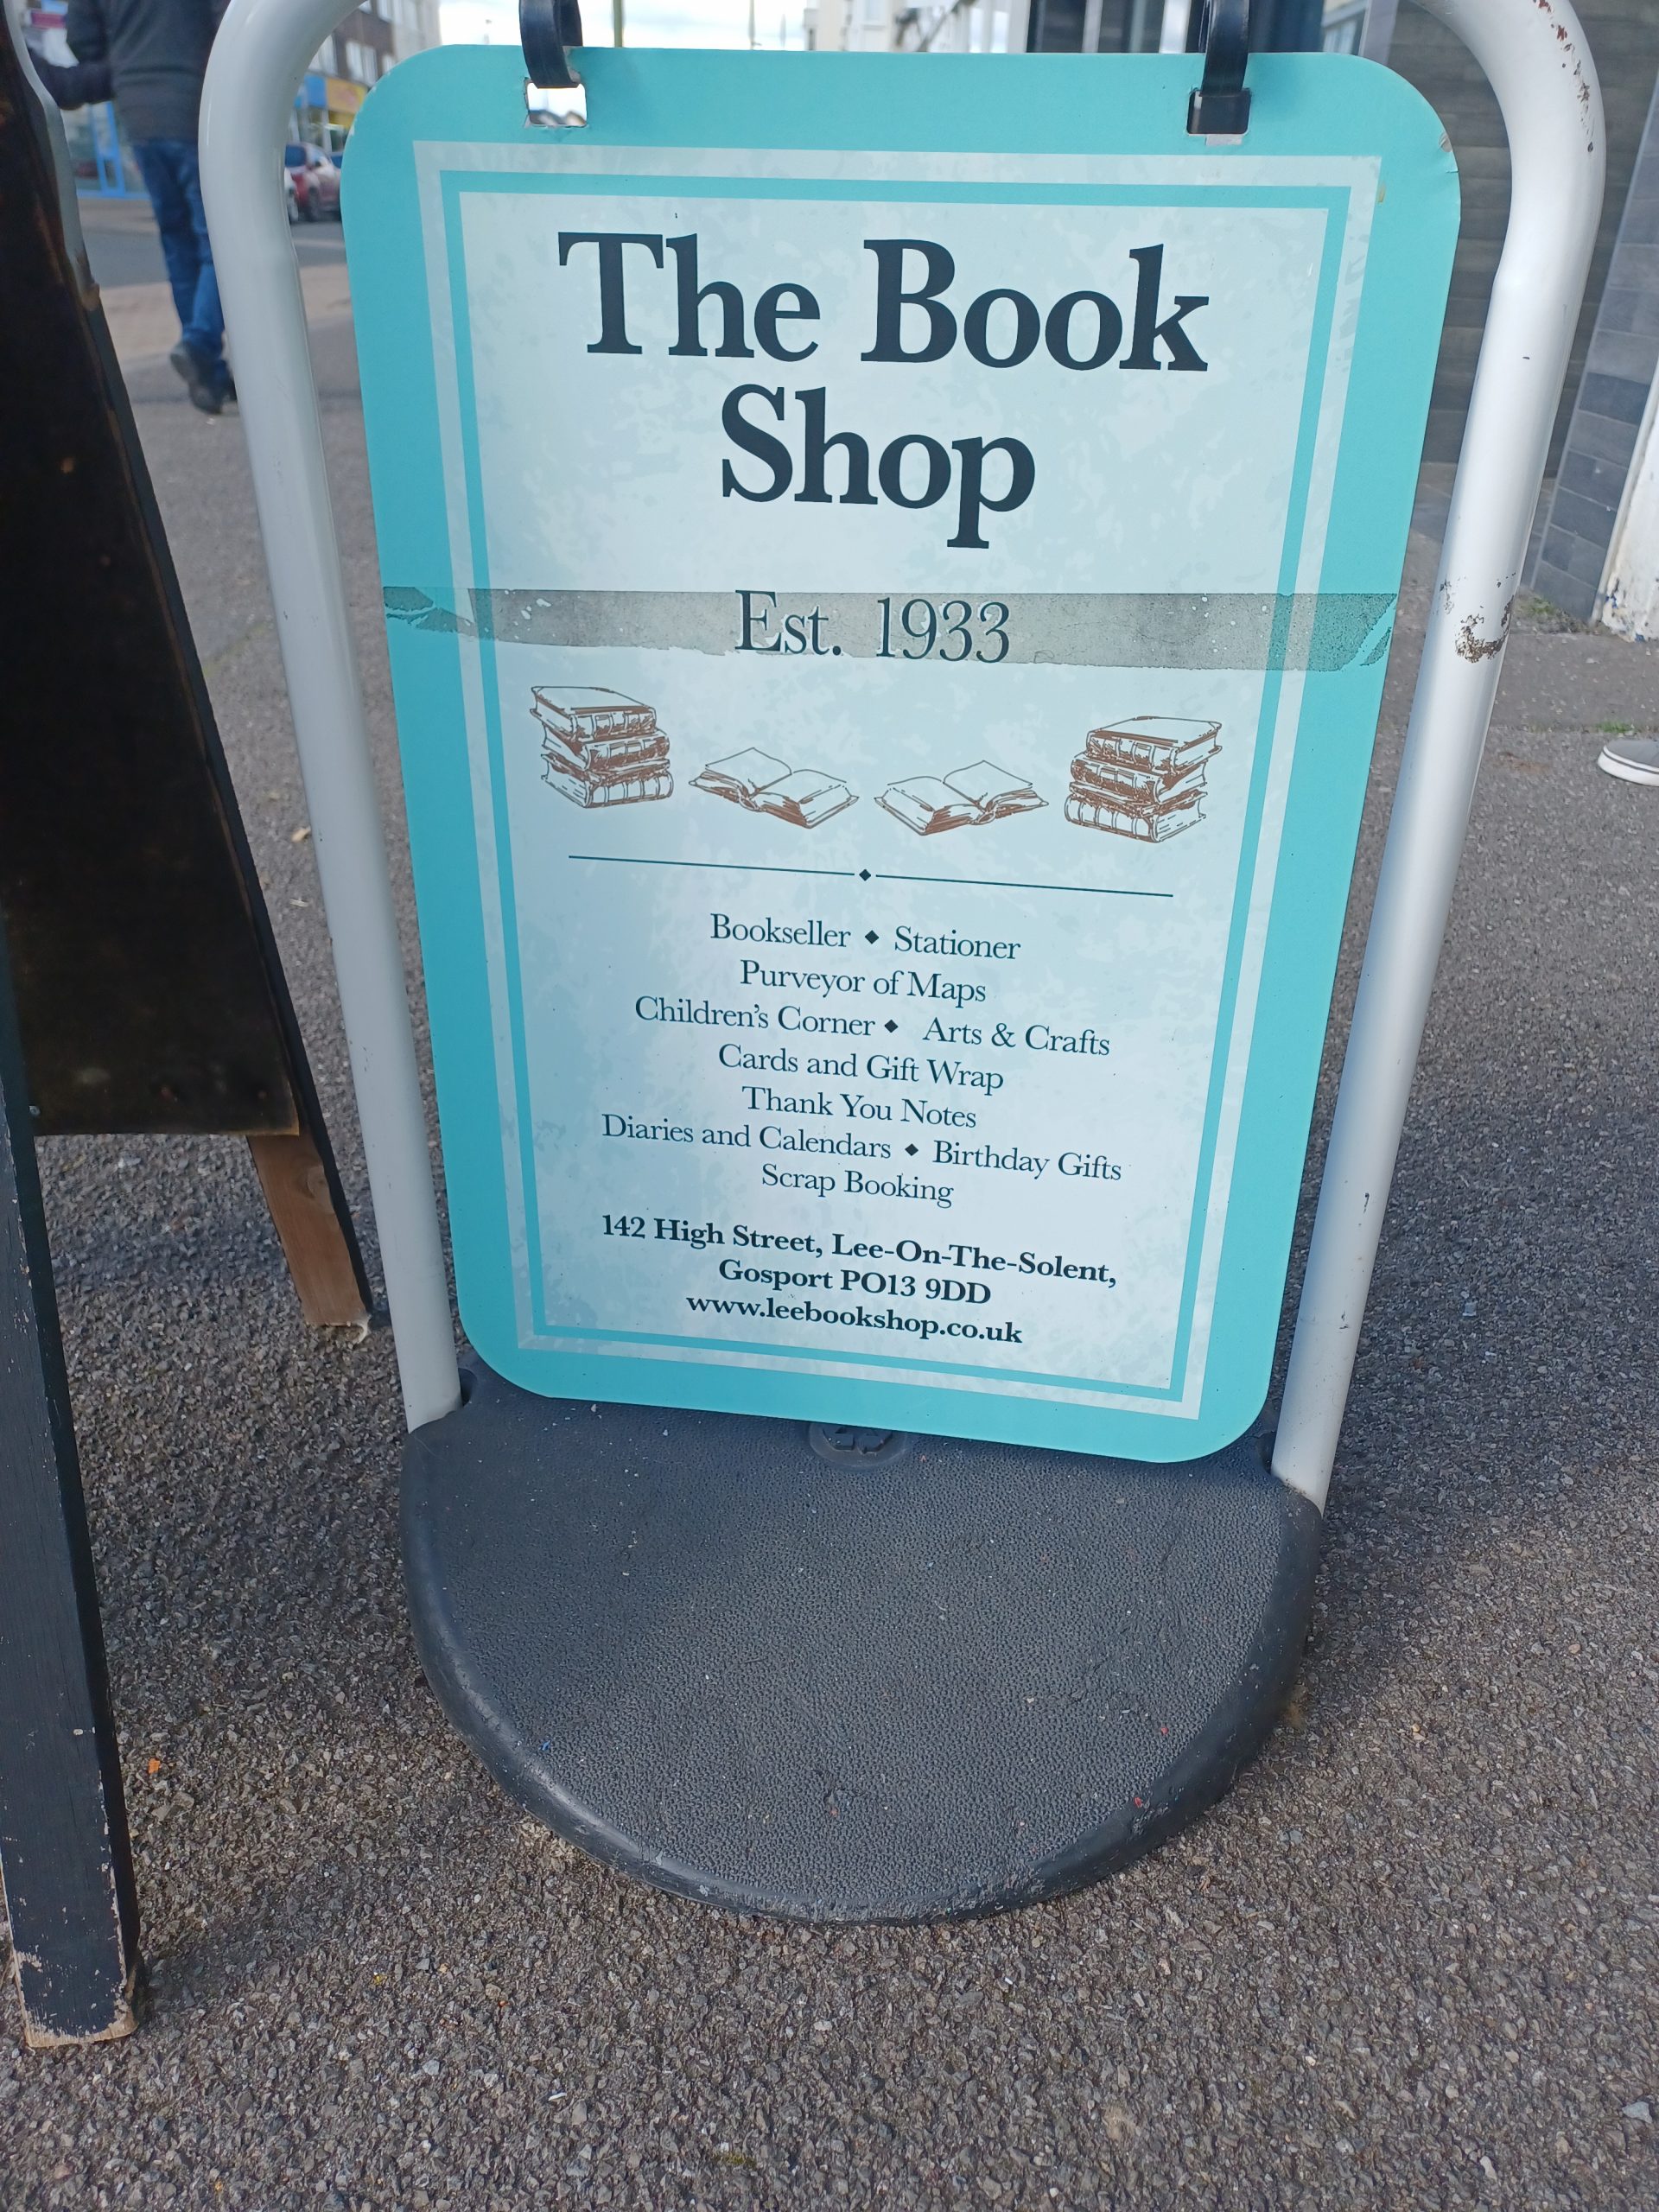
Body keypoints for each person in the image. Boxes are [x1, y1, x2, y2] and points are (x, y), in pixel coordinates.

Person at [64, 0, 232, 414]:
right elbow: (227, 21)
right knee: (221, 242)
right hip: (197, 106)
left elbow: (80, 37)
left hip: (140, 114)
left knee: (178, 244)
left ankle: (208, 376)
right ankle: (200, 343)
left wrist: (127, 58)